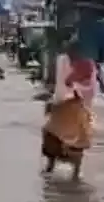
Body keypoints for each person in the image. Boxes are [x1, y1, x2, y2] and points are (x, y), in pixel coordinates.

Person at [42, 39, 98, 180]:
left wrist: (76, 88)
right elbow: (60, 85)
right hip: (62, 105)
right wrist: (54, 100)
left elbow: (90, 87)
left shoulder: (87, 65)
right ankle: (50, 167)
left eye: (73, 50)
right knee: (51, 135)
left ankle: (75, 173)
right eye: (69, 50)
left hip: (78, 107)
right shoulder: (63, 61)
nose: (71, 53)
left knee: (77, 141)